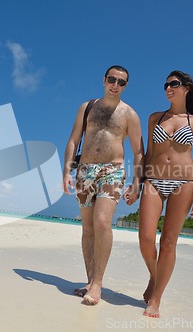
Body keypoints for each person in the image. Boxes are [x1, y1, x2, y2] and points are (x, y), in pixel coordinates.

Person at [63, 65, 144, 305]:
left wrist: (136, 182)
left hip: (113, 171)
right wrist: (67, 170)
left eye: (121, 82)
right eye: (112, 79)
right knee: (87, 228)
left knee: (101, 223)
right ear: (104, 79)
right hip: (85, 171)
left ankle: (98, 283)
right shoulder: (86, 107)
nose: (115, 84)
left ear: (125, 86)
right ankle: (90, 280)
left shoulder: (129, 114)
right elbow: (73, 139)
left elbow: (139, 152)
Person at [137, 70, 193, 318]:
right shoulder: (155, 117)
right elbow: (147, 154)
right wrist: (138, 181)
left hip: (184, 183)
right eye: (166, 84)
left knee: (168, 242)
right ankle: (155, 278)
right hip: (154, 180)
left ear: (186, 88)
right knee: (146, 238)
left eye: (174, 84)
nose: (168, 88)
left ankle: (155, 298)